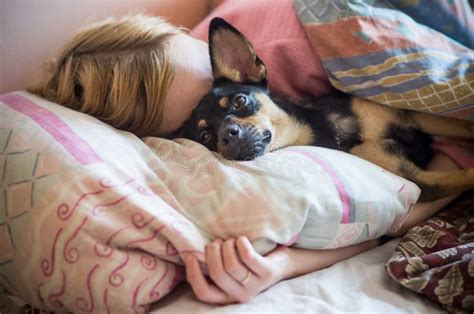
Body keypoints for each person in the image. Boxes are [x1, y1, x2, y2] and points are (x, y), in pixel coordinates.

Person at [31, 0, 468, 305]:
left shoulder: (284, 45)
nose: (231, 135)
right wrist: (279, 265)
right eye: (200, 131)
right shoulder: (183, 120)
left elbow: (447, 110)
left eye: (221, 89)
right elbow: (362, 211)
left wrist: (424, 198)